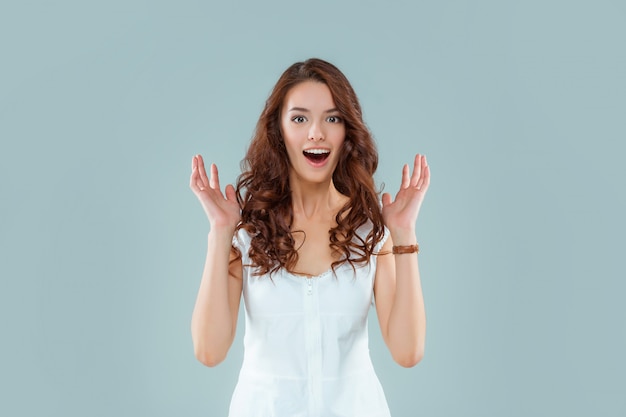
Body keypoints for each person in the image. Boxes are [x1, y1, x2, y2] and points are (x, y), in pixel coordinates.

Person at [189, 58, 430, 417]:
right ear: (278, 131)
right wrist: (221, 233)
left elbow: (407, 352)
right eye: (299, 118)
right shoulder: (248, 231)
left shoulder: (369, 230)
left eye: (332, 118)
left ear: (347, 131)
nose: (316, 132)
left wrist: (403, 233)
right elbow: (209, 351)